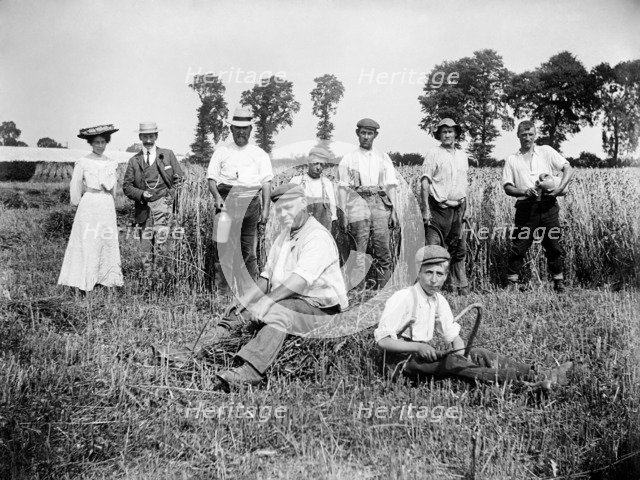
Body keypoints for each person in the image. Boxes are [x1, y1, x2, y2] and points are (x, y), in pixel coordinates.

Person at [203, 183, 347, 387]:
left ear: (304, 204)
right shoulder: (284, 236)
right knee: (238, 312)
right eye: (279, 211)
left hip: (320, 309)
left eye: (289, 208)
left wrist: (266, 302)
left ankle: (250, 371)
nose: (284, 214)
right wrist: (244, 301)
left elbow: (299, 281)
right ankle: (195, 351)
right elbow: (266, 278)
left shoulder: (317, 237)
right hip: (290, 300)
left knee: (280, 309)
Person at [374, 245, 573, 390]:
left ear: (445, 275)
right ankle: (524, 384)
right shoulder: (403, 297)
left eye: (439, 274)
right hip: (399, 364)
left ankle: (538, 373)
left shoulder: (439, 300)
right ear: (418, 273)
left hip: (421, 356)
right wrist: (419, 347)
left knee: (477, 353)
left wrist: (463, 353)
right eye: (428, 273)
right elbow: (383, 341)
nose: (434, 279)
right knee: (452, 362)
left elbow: (452, 336)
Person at [207, 106, 273, 295]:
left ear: (251, 130)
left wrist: (266, 211)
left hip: (251, 205)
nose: (241, 132)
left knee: (249, 253)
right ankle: (223, 293)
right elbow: (211, 179)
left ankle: (249, 294)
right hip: (227, 203)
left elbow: (266, 183)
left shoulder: (259, 153)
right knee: (224, 251)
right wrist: (218, 198)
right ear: (231, 129)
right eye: (237, 128)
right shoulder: (221, 152)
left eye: (245, 128)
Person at [502, 120, 574, 292]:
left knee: (553, 245)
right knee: (519, 246)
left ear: (535, 135)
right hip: (526, 208)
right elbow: (507, 187)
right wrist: (524, 191)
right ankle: (511, 284)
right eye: (524, 134)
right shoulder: (512, 159)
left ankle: (558, 282)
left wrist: (559, 189)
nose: (527, 138)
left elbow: (568, 168)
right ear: (518, 136)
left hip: (548, 206)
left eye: (531, 134)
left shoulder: (546, 152)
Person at [58, 124, 124, 292]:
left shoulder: (111, 163)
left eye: (103, 142)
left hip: (106, 204)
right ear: (91, 143)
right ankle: (84, 281)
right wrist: (77, 203)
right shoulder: (83, 162)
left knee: (106, 240)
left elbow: (114, 189)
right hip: (90, 203)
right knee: (89, 239)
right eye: (96, 142)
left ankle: (107, 279)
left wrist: (110, 200)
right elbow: (76, 186)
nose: (100, 146)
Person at [337, 118, 399, 290]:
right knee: (358, 251)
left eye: (369, 133)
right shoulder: (349, 158)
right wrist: (343, 214)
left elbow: (391, 186)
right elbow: (342, 188)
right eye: (363, 133)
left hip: (380, 204)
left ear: (375, 135)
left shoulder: (383, 158)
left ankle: (383, 292)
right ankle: (357, 292)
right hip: (357, 204)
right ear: (357, 134)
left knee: (383, 250)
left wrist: (394, 211)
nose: (366, 137)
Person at [123, 122, 184, 281]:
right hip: (143, 208)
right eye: (145, 136)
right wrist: (142, 194)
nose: (148, 140)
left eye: (151, 136)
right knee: (145, 245)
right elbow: (127, 187)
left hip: (163, 205)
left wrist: (171, 197)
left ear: (156, 136)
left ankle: (161, 280)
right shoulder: (134, 161)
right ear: (140, 137)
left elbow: (180, 179)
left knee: (162, 244)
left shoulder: (168, 154)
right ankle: (148, 281)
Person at [420, 118, 470, 295]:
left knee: (458, 250)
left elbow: (464, 183)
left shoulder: (462, 155)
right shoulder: (434, 153)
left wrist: (467, 208)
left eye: (450, 131)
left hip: (458, 209)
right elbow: (425, 182)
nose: (447, 135)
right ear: (439, 135)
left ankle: (460, 287)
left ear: (456, 133)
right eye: (444, 131)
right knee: (434, 251)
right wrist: (425, 209)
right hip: (438, 208)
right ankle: (429, 290)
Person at [289, 145, 338, 231]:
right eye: (315, 163)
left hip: (322, 230)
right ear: (309, 162)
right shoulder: (296, 181)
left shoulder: (327, 183)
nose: (318, 167)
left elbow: (333, 208)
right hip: (301, 231)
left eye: (322, 164)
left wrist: (333, 219)